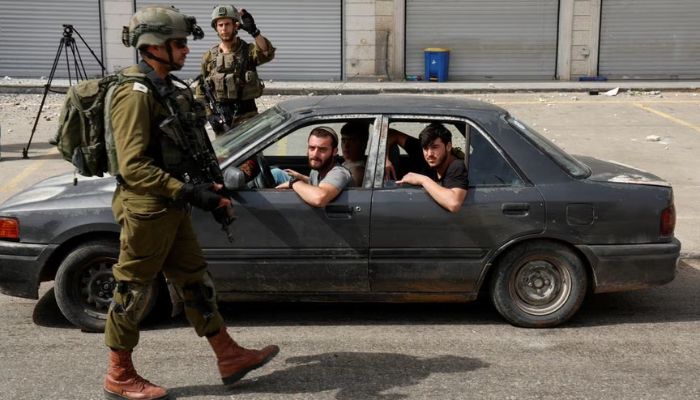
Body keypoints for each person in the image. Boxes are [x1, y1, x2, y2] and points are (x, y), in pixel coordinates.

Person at [106, 6, 278, 399]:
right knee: (133, 289)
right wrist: (188, 192)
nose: (186, 50)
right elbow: (133, 167)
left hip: (172, 204)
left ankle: (228, 354)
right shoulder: (134, 94)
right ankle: (119, 374)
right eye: (179, 43)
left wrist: (207, 189)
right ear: (153, 47)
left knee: (194, 279)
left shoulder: (165, 87)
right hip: (147, 208)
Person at [199, 4, 275, 135]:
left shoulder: (248, 51)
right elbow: (201, 89)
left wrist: (255, 32)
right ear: (216, 28)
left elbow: (266, 52)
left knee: (252, 154)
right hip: (223, 119)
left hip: (248, 116)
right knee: (225, 156)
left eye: (227, 24)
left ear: (235, 25)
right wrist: (209, 114)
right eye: (220, 25)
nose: (224, 29)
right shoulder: (209, 56)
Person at [388, 123, 468, 212]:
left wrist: (422, 180)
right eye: (425, 148)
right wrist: (385, 158)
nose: (429, 154)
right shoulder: (424, 152)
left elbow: (453, 204)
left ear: (448, 146)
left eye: (435, 147)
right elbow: (391, 134)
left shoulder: (457, 166)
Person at [277, 127, 352, 207]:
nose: (315, 154)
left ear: (334, 151)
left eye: (322, 149)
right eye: (312, 148)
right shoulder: (317, 170)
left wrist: (293, 182)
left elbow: (319, 199)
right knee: (276, 173)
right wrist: (301, 177)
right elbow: (317, 182)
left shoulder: (339, 173)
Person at [340, 120, 370, 187]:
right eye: (343, 140)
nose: (346, 146)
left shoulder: (357, 172)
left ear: (363, 144)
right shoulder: (344, 163)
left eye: (352, 141)